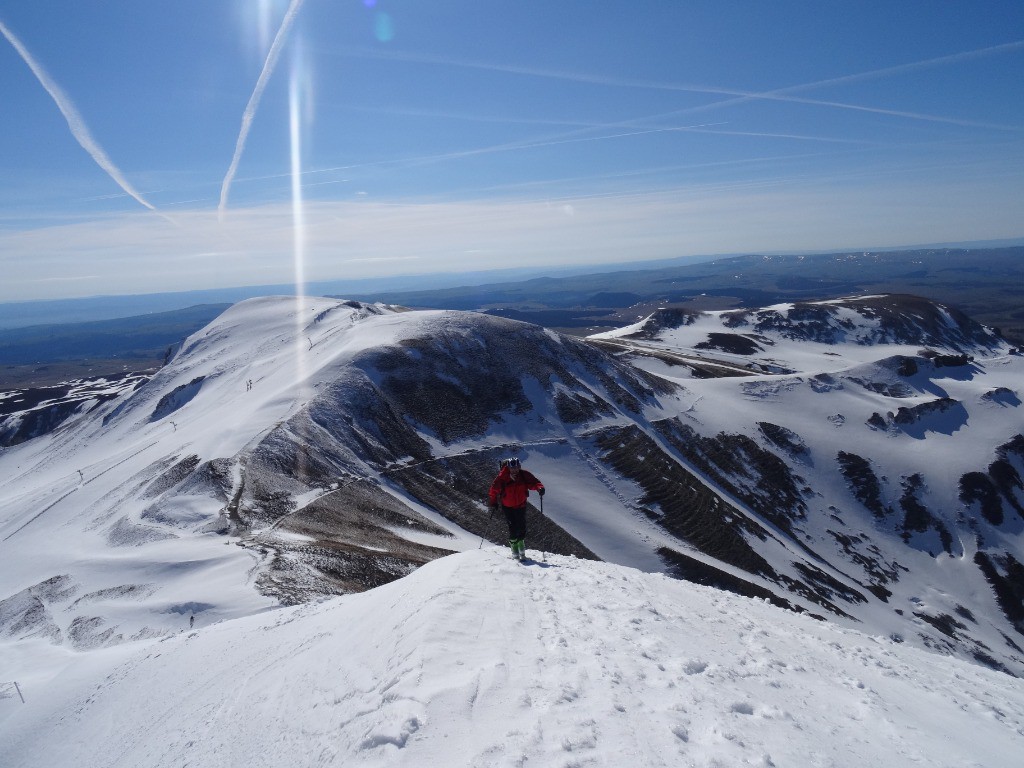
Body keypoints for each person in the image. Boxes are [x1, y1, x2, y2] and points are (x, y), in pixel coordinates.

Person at [488, 457, 544, 560]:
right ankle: (515, 551)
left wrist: (539, 488)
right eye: (513, 468)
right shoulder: (503, 477)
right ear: (508, 467)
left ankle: (521, 550)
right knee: (513, 528)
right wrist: (493, 502)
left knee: (522, 527)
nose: (515, 470)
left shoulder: (523, 475)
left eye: (517, 467)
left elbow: (534, 482)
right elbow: (494, 489)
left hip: (521, 505)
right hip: (508, 507)